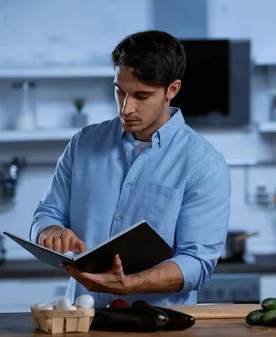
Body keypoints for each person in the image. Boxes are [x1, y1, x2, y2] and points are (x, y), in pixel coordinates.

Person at [28, 30, 231, 308]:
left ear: (172, 89)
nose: (126, 107)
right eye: (119, 91)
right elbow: (48, 213)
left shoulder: (204, 164)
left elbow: (197, 262)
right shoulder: (83, 144)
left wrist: (132, 284)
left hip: (158, 324)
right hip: (82, 320)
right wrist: (50, 232)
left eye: (141, 95)